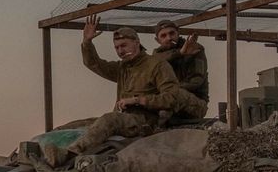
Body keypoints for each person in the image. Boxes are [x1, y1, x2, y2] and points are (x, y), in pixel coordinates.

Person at [61, 15, 201, 160]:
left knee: (109, 119)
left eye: (124, 45)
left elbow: (171, 98)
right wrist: (87, 42)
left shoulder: (157, 65)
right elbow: (95, 64)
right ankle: (46, 149)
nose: (120, 51)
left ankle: (69, 155)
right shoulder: (123, 68)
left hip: (145, 122)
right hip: (124, 119)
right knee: (78, 125)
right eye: (117, 47)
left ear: (136, 43)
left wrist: (137, 100)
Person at [152, 19, 210, 119]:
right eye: (163, 36)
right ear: (157, 40)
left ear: (178, 33)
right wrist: (180, 53)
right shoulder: (158, 55)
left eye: (172, 33)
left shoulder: (194, 49)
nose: (169, 38)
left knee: (176, 95)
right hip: (168, 99)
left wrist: (169, 91)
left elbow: (196, 81)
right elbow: (154, 61)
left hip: (194, 104)